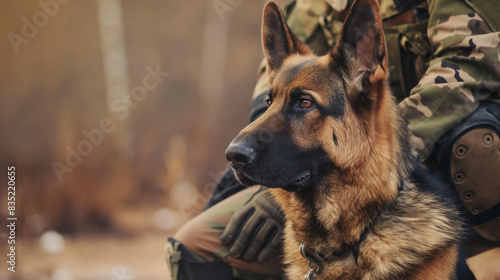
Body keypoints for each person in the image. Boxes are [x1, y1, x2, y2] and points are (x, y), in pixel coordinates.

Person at [166, 0, 500, 279]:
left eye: (304, 103)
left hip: (425, 146)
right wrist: (269, 177)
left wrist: (384, 147)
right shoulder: (314, 4)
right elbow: (279, 78)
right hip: (332, 162)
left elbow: (470, 59)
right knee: (195, 248)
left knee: (474, 146)